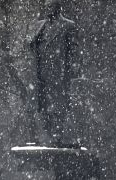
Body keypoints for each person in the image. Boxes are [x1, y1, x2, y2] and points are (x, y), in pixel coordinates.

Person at [29, 0, 79, 146]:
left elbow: (73, 52)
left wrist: (70, 73)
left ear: (58, 8)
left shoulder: (68, 26)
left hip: (58, 75)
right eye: (47, 6)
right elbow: (31, 46)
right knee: (42, 108)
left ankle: (58, 137)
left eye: (51, 6)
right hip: (40, 76)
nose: (48, 9)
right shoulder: (40, 26)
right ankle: (48, 137)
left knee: (59, 107)